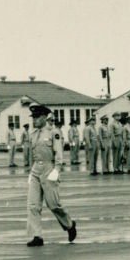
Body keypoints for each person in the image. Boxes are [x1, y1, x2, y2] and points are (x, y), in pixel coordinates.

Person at [25, 103, 78, 247]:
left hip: (49, 168)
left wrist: (57, 169)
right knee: (33, 205)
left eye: (36, 117)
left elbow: (58, 152)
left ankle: (69, 224)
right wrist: (31, 172)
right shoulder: (33, 135)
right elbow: (32, 155)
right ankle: (37, 236)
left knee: (53, 204)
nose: (33, 120)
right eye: (33, 117)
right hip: (36, 169)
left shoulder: (53, 132)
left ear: (44, 117)